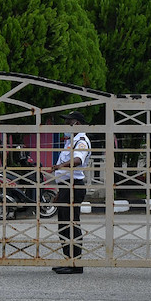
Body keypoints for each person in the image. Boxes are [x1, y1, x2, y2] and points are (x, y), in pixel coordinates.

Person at [46, 110, 91, 274]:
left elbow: (78, 160)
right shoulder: (71, 140)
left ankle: (75, 264)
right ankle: (68, 260)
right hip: (66, 187)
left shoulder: (81, 141)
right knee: (64, 225)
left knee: (71, 224)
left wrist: (59, 166)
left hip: (73, 187)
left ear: (77, 123)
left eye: (68, 122)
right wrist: (60, 191)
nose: (66, 125)